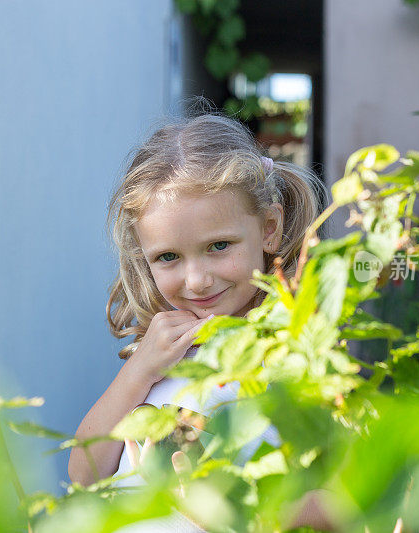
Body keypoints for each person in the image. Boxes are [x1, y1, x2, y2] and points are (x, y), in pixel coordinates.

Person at [68, 111, 335, 530]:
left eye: (218, 246)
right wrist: (138, 371)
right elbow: (84, 475)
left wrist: (235, 505)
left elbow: (347, 503)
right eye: (168, 257)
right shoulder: (161, 352)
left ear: (269, 228)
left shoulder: (294, 352)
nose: (196, 280)